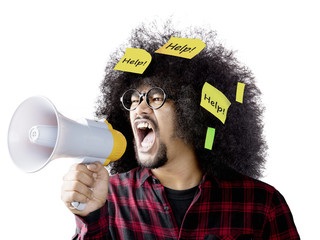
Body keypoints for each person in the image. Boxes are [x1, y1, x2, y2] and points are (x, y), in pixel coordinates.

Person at [61, 22, 300, 239]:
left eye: (155, 97)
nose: (139, 108)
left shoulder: (261, 204)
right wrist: (91, 218)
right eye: (133, 100)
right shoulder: (108, 198)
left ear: (192, 113)